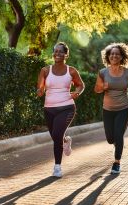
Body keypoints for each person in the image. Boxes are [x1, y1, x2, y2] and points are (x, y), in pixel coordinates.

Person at [36, 42, 85, 178]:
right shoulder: (45, 70)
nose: (57, 54)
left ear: (66, 54)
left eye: (60, 51)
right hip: (49, 109)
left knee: (57, 134)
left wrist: (77, 92)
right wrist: (40, 91)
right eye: (55, 51)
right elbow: (40, 87)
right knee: (56, 137)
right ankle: (66, 141)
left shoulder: (71, 71)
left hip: (67, 107)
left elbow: (81, 85)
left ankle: (57, 167)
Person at [94, 42, 128, 174]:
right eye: (112, 53)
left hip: (124, 108)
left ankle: (117, 162)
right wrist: (103, 87)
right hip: (107, 109)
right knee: (110, 138)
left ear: (122, 57)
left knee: (118, 134)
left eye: (117, 54)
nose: (114, 56)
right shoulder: (102, 72)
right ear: (108, 56)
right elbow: (96, 89)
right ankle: (116, 143)